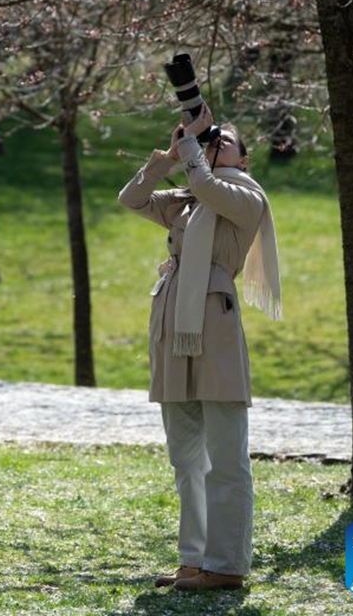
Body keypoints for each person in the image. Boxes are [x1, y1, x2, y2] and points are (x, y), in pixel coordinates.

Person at [118, 100, 282, 593]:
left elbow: (210, 185)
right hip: (172, 329)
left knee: (226, 457)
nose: (213, 146)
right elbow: (132, 198)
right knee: (186, 456)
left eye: (222, 143)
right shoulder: (188, 198)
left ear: (243, 161)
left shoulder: (244, 194)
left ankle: (227, 564)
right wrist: (168, 156)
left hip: (214, 327)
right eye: (212, 142)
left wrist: (194, 145)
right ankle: (195, 560)